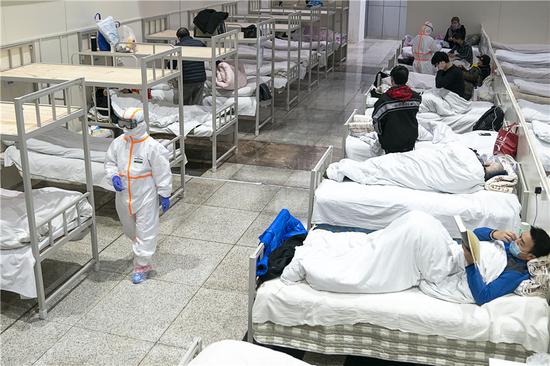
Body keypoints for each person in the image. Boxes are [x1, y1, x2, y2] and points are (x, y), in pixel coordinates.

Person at [281, 211, 550, 305]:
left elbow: (483, 296)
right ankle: (342, 249)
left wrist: (469, 263)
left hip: (446, 270)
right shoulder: (507, 246)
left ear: (530, 256)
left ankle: (310, 263)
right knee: (417, 221)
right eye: (519, 237)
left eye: (521, 243)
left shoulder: (515, 273)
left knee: (417, 228)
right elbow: (475, 235)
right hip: (453, 253)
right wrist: (493, 233)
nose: (516, 241)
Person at [104, 108, 172, 284]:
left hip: (145, 194)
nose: (126, 128)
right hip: (123, 194)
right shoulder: (119, 143)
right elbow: (110, 162)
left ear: (140, 124)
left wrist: (164, 193)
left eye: (130, 124)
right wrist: (113, 176)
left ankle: (142, 266)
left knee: (145, 230)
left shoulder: (152, 146)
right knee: (130, 230)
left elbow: (163, 171)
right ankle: (140, 249)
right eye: (123, 123)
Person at [326, 142, 508, 194]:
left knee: (389, 165)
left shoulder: (472, 166)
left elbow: (451, 148)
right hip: (423, 167)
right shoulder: (474, 183)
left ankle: (346, 169)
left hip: (421, 165)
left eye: (492, 163)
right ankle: (351, 170)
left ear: (490, 167)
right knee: (389, 167)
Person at [372, 66, 422, 154]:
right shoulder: (416, 98)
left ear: (392, 80)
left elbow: (376, 120)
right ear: (406, 79)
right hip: (410, 140)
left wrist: (382, 135)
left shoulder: (384, 101)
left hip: (391, 142)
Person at [173, 27, 207, 105]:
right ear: (189, 34)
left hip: (186, 80)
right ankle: (199, 116)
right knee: (198, 104)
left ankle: (186, 117)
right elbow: (209, 53)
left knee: (185, 105)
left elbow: (172, 64)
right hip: (200, 78)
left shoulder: (177, 46)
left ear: (178, 37)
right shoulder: (199, 43)